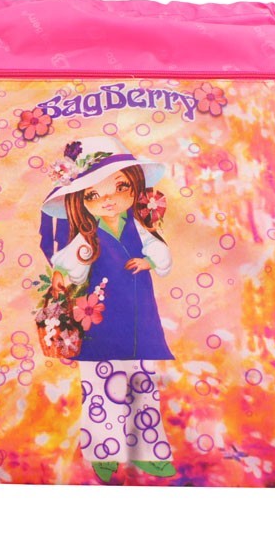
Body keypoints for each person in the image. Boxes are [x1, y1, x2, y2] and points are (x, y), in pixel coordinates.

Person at [40, 136, 177, 483]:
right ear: (80, 202)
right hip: (99, 318)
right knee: (100, 385)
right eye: (93, 195)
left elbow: (159, 251)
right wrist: (60, 275)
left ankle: (149, 452)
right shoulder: (88, 237)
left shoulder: (139, 226)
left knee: (142, 381)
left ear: (134, 185)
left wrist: (150, 262)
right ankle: (104, 451)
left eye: (120, 187)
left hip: (140, 315)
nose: (108, 200)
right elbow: (72, 263)